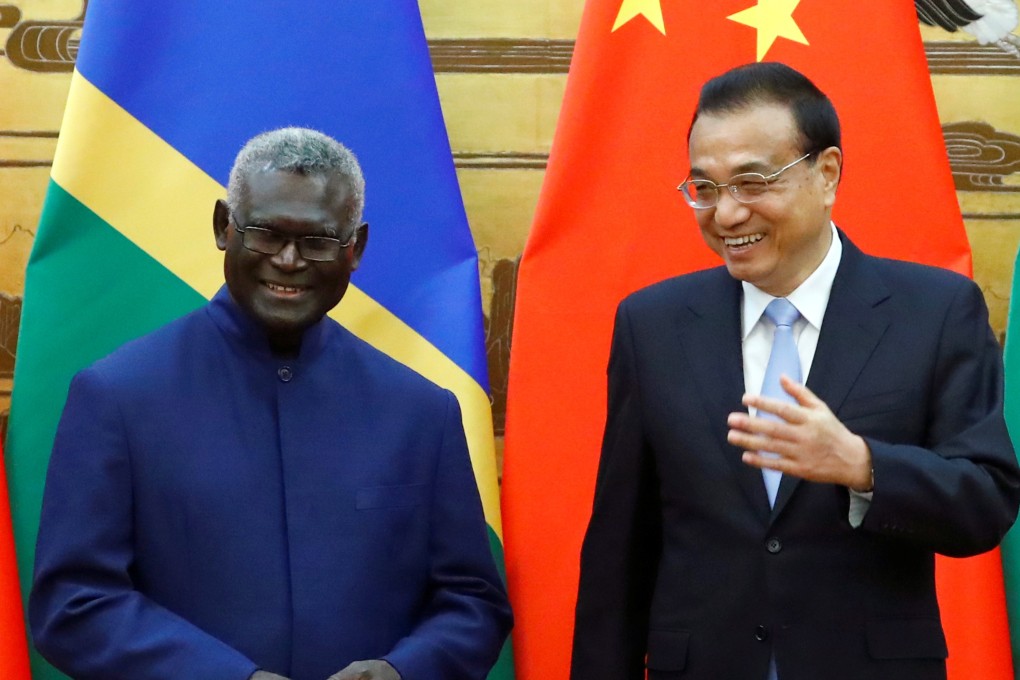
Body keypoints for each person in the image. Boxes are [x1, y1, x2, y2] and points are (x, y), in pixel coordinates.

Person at [570, 62, 1020, 680]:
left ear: (826, 173)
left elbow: (986, 503)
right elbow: (621, 544)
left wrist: (863, 465)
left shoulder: (935, 311)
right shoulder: (653, 325)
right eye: (704, 188)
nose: (726, 214)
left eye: (752, 182)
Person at [30, 127, 512, 680]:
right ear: (222, 227)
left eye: (317, 241)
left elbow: (474, 604)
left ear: (355, 249)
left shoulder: (422, 412)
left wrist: (404, 672)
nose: (288, 260)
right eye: (264, 234)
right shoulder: (116, 396)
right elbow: (74, 604)